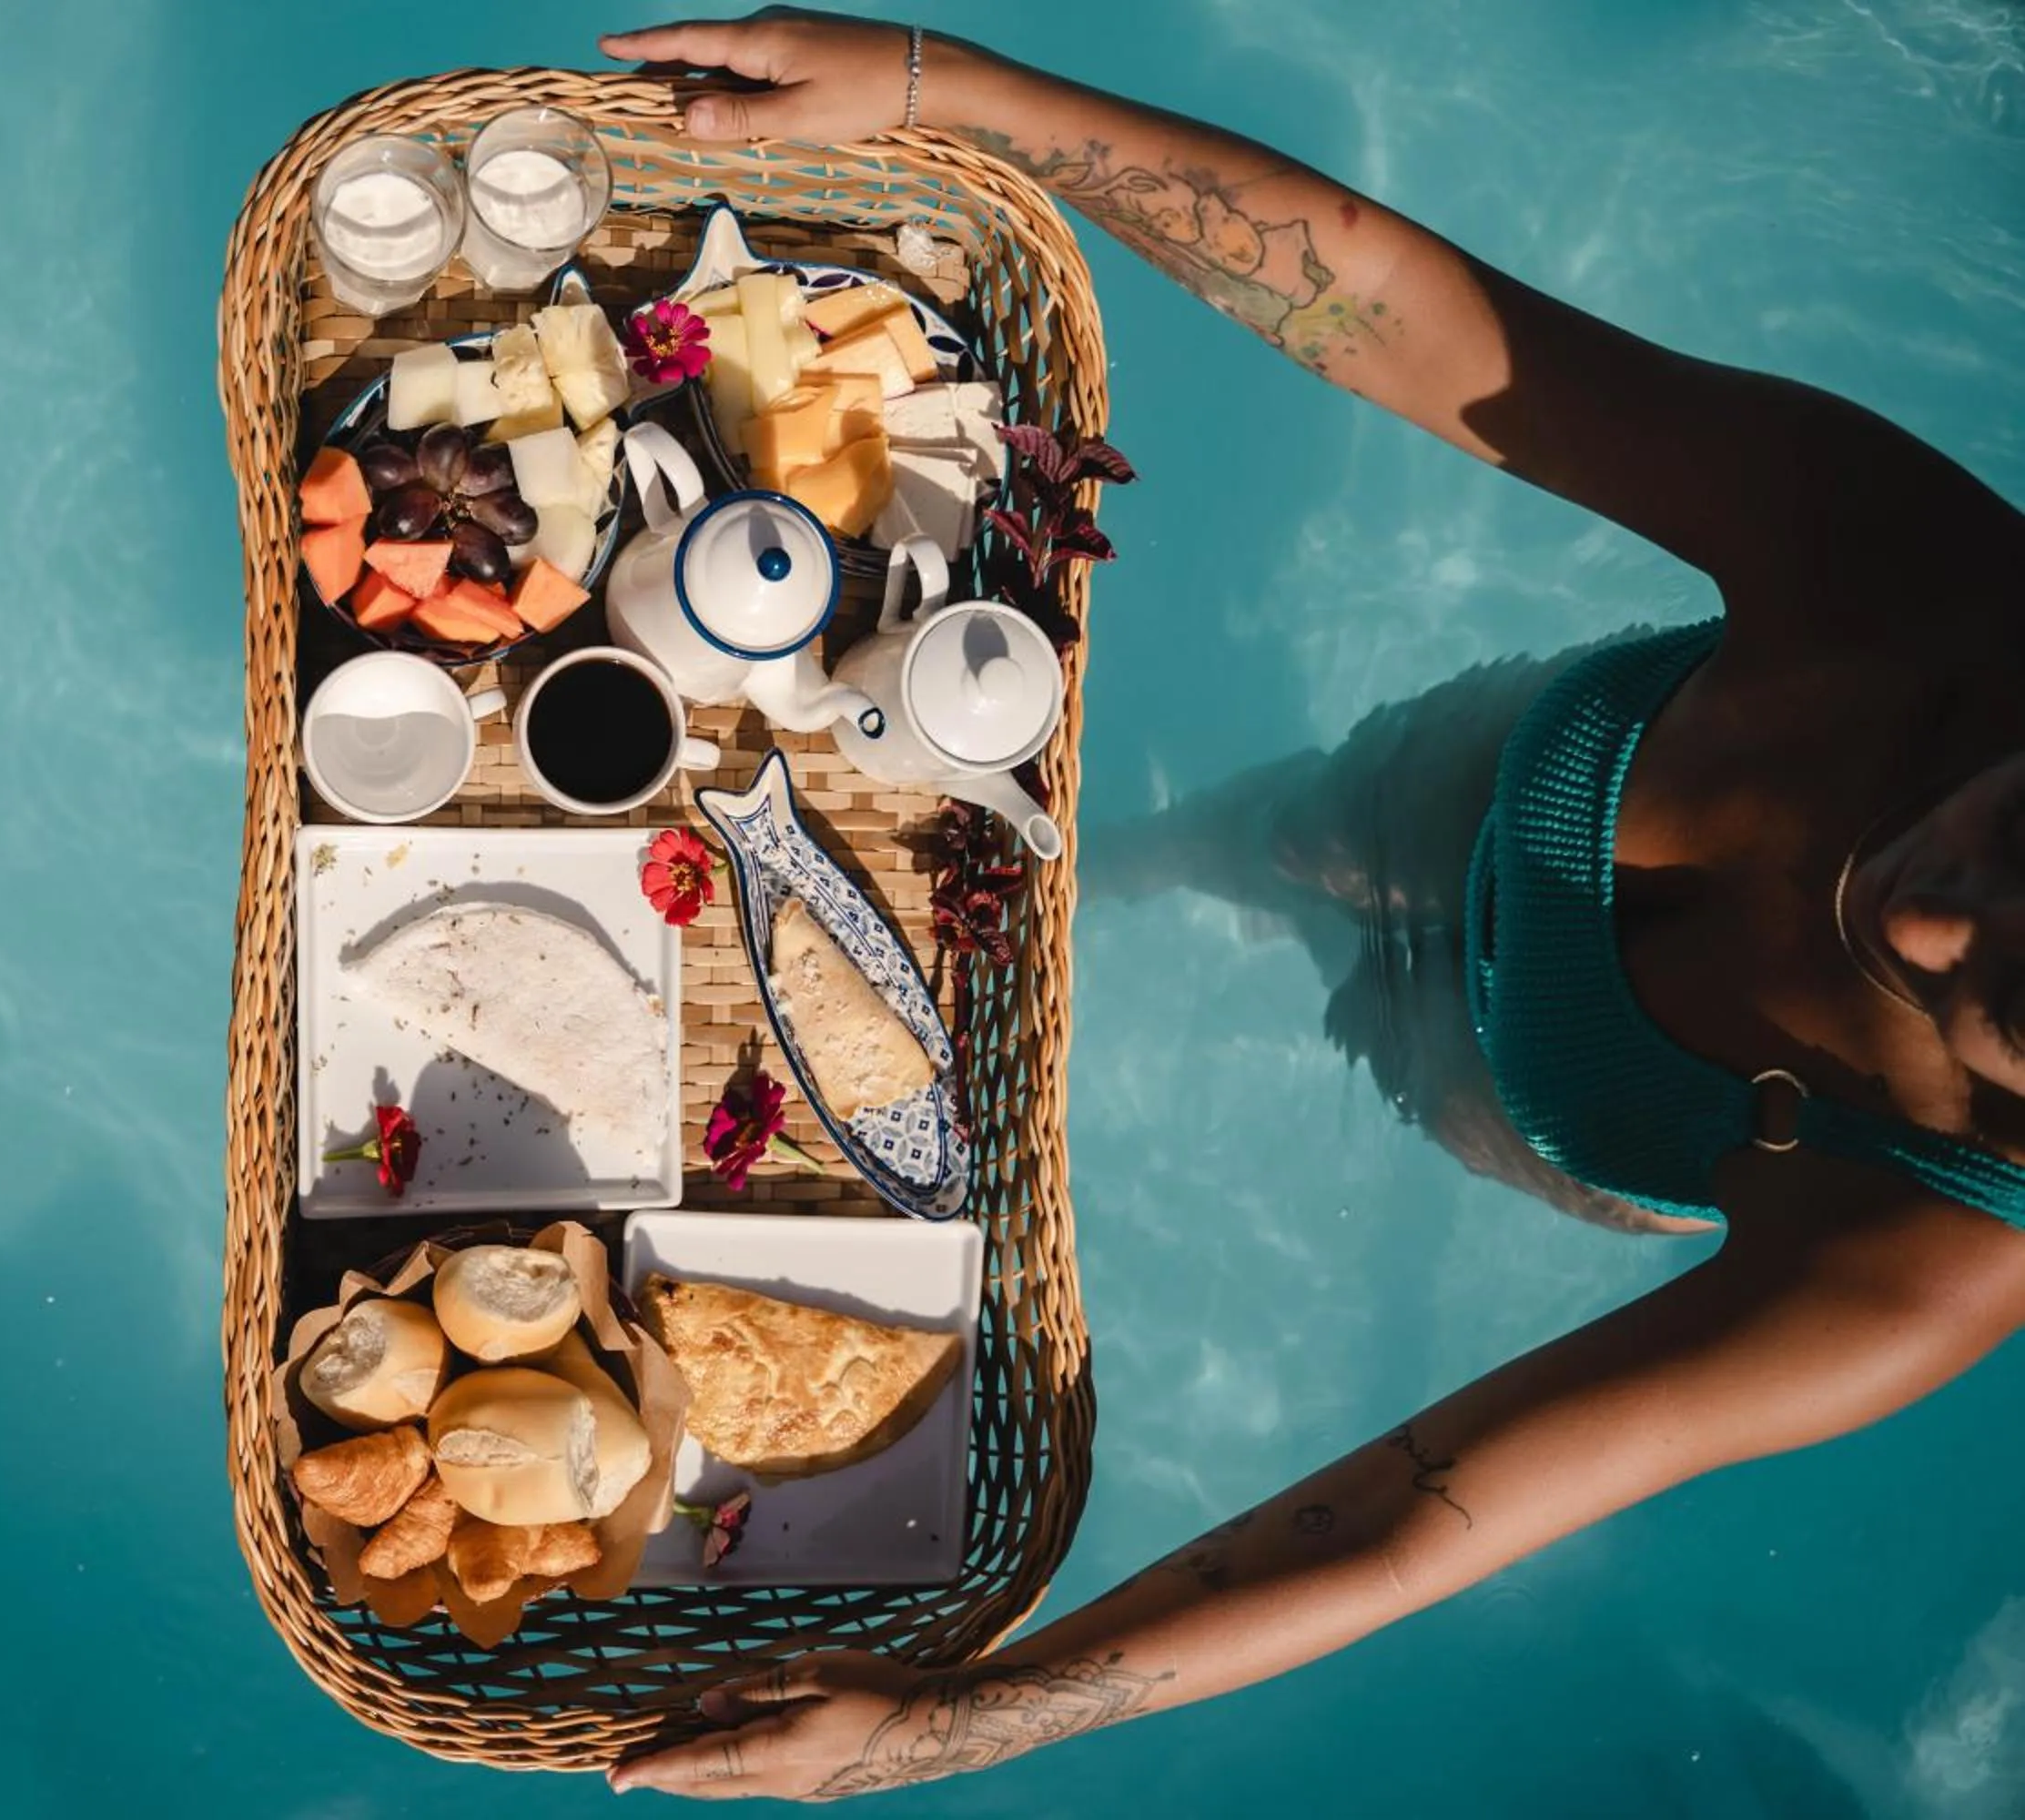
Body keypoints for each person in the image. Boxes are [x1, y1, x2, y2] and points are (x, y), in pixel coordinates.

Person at [597, 13, 2025, 1803]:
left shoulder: (1919, 1261)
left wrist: (943, 1726)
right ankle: (1122, 874)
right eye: (2017, 829)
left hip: (1552, 1087)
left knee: (1400, 1044)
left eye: (2010, 1008)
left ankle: (1180, 897)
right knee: (1276, 834)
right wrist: (945, 88)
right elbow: (1408, 326)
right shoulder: (1940, 590)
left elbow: (1417, 1515)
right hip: (1483, 779)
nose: (1919, 918)